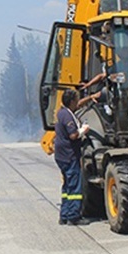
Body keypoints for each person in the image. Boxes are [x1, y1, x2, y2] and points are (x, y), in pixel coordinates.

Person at [54, 88, 90, 225]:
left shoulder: (62, 113)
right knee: (75, 187)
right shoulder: (68, 116)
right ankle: (74, 216)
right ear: (71, 101)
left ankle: (64, 215)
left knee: (67, 186)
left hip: (61, 155)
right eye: (76, 100)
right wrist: (83, 130)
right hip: (69, 155)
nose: (77, 102)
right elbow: (73, 135)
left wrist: (91, 97)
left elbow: (79, 105)